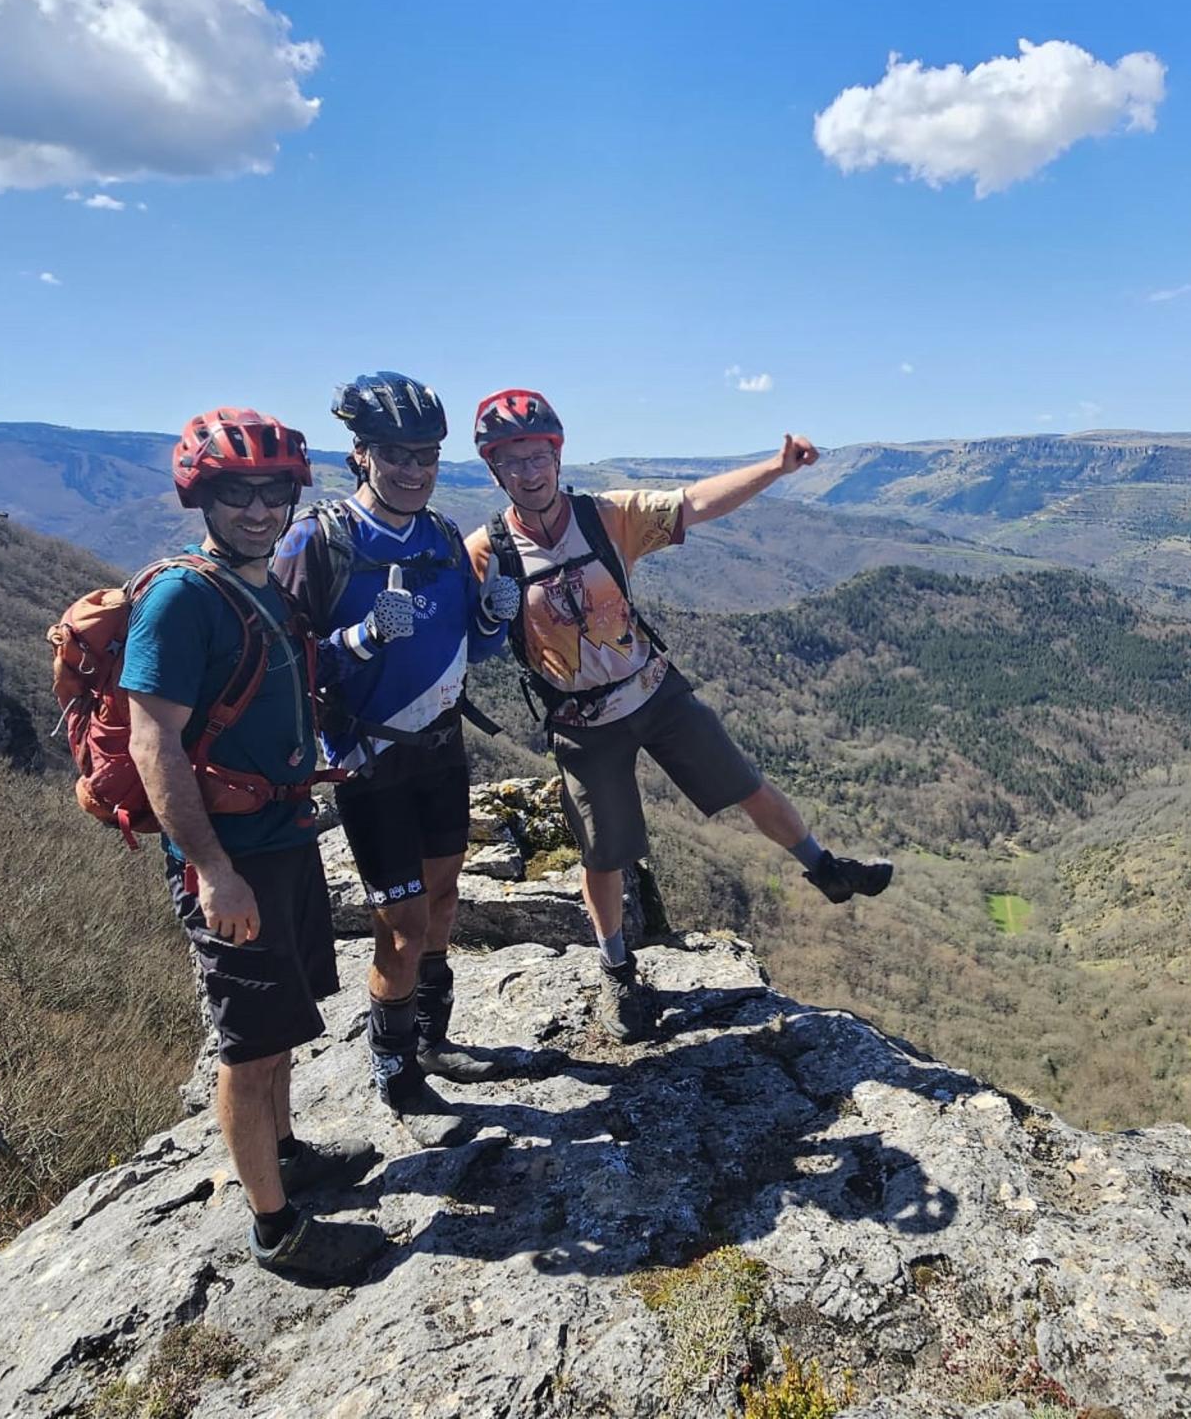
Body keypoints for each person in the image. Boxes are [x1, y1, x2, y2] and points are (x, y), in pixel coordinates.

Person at [464, 388, 892, 1042]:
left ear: (556, 454)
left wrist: (776, 469)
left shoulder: (604, 517)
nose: (527, 472)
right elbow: (455, 634)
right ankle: (617, 972)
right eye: (511, 461)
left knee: (744, 783)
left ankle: (825, 867)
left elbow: (694, 502)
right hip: (581, 722)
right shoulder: (486, 552)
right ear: (495, 470)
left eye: (536, 456)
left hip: (654, 690)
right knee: (604, 855)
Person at [121, 406, 384, 1281]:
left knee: (280, 1026)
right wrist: (211, 871)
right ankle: (276, 1229)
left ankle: (289, 1153)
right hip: (231, 854)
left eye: (274, 491)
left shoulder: (264, 584)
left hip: (284, 834)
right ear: (206, 495)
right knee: (249, 1043)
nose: (260, 508)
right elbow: (150, 742)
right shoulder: (180, 597)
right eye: (239, 492)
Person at [272, 372, 522, 1148]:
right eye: (396, 453)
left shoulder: (444, 538)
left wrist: (490, 619)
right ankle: (394, 1063)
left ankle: (435, 1037)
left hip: (442, 747)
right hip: (369, 760)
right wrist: (360, 641)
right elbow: (282, 663)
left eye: (426, 454)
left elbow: (464, 647)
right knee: (403, 925)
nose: (413, 468)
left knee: (444, 899)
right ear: (360, 454)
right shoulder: (318, 541)